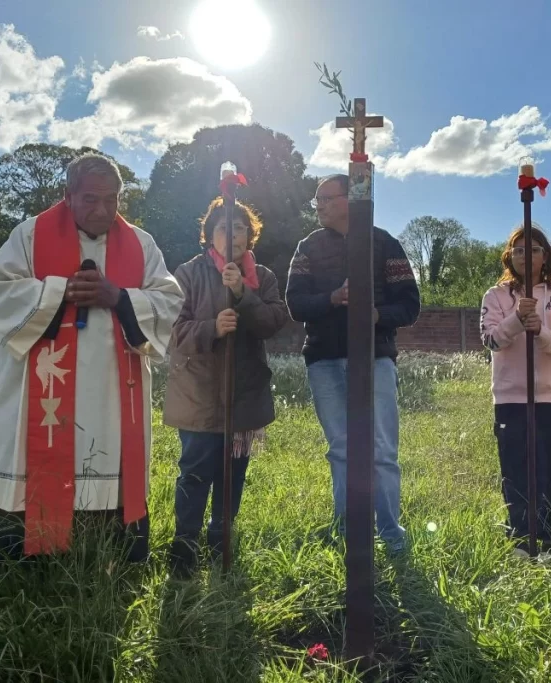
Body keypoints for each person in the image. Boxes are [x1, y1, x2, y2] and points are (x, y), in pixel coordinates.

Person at [0, 153, 184, 563]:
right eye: (91, 199)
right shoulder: (30, 236)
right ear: (66, 196)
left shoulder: (141, 245)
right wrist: (58, 293)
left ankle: (108, 558)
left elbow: (169, 302)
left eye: (112, 200)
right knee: (29, 462)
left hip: (112, 388)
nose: (103, 210)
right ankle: (21, 560)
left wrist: (119, 297)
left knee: (108, 459)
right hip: (36, 385)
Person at [285, 174, 420, 552]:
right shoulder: (308, 247)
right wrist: (333, 297)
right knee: (341, 447)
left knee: (381, 448)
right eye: (316, 200)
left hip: (376, 358)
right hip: (324, 359)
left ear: (348, 199)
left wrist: (375, 314)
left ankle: (391, 534)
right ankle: (346, 530)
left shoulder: (385, 243)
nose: (319, 206)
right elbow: (295, 303)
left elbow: (410, 305)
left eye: (324, 198)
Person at [163, 196, 289, 575]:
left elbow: (272, 322)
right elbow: (170, 329)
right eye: (223, 227)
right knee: (195, 472)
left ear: (250, 236)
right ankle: (184, 548)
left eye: (239, 228)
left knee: (233, 477)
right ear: (209, 235)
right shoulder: (187, 275)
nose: (232, 234)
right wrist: (211, 328)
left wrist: (243, 295)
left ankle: (222, 544)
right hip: (198, 395)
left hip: (244, 396)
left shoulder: (262, 277)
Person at [479, 224, 551, 557]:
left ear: (545, 255)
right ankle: (522, 535)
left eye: (534, 249)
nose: (526, 255)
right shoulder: (495, 296)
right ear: (510, 256)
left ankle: (550, 534)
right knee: (517, 465)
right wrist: (515, 321)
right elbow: (491, 339)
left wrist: (542, 333)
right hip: (511, 397)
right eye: (519, 249)